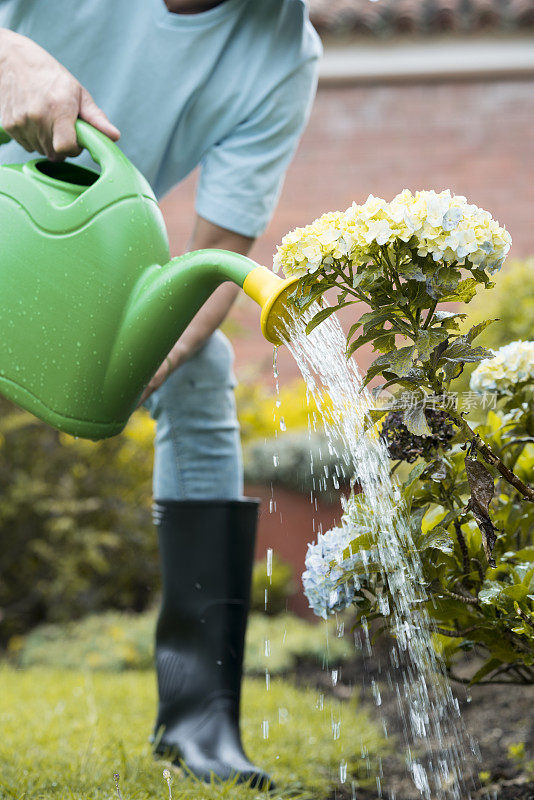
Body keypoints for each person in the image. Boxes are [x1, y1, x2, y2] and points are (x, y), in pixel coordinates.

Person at [0, 0, 321, 788]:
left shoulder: (282, 54)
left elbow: (211, 259)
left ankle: (199, 719)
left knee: (203, 370)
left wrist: (147, 362)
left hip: (59, 242)